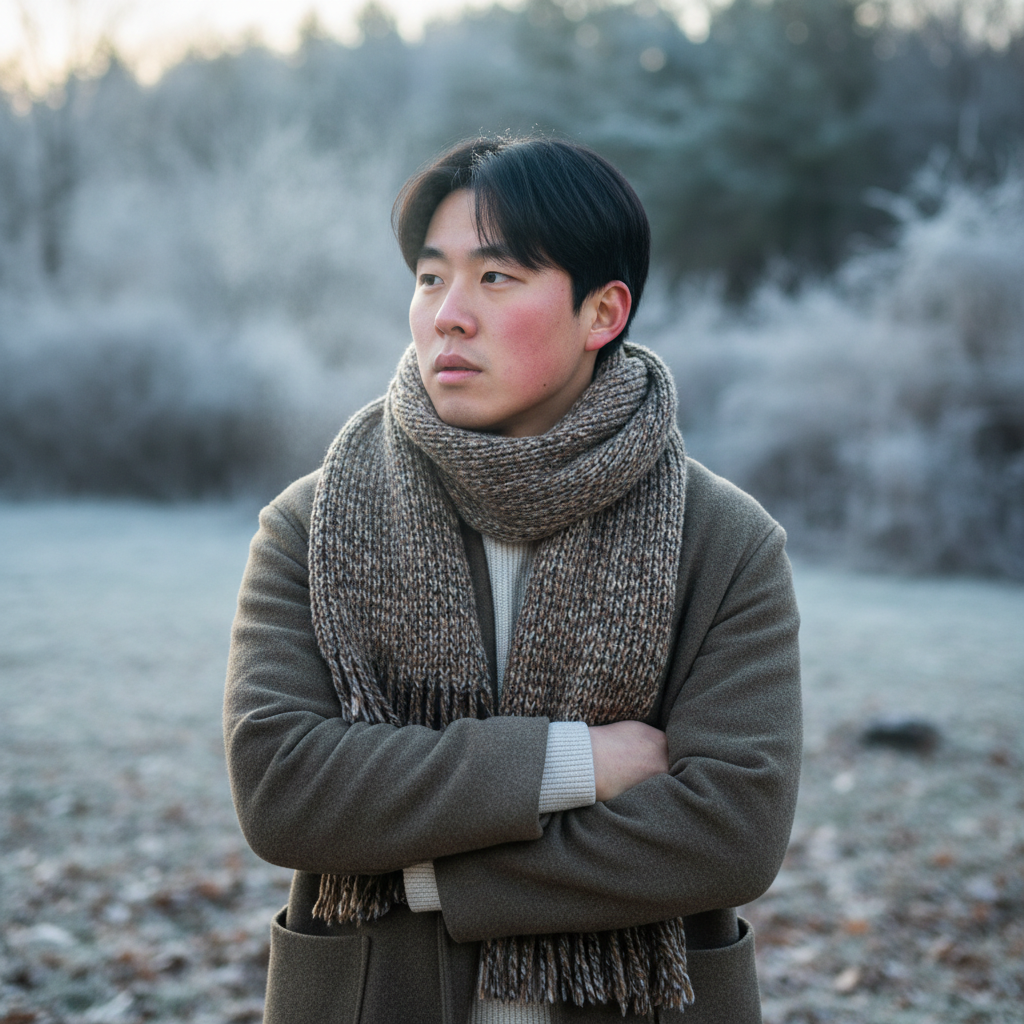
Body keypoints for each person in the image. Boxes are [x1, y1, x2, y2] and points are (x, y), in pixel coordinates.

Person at [224, 136, 801, 1024]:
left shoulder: (723, 541)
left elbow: (729, 834)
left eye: (495, 279)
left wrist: (421, 875)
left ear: (602, 312)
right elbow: (285, 790)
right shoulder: (312, 523)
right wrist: (575, 761)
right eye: (429, 277)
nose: (448, 315)